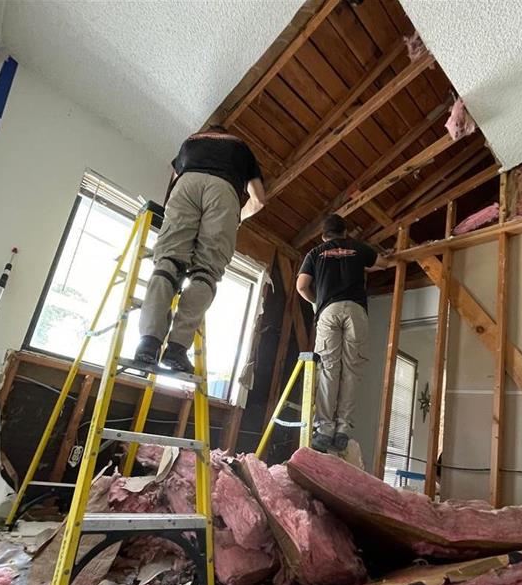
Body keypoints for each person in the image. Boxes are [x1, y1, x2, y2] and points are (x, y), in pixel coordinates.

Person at [135, 125, 266, 373]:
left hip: (185, 186)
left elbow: (173, 184)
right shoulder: (241, 148)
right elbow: (258, 199)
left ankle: (148, 343)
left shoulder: (189, 144)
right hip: (224, 191)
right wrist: (236, 217)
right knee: (206, 271)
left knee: (167, 263)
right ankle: (176, 350)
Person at [296, 214, 392, 453]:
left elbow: (301, 286)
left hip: (329, 310)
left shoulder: (315, 253)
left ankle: (325, 429)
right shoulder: (358, 248)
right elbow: (384, 263)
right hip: (356, 312)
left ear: (323, 235)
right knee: (352, 369)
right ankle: (342, 430)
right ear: (345, 232)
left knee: (329, 368)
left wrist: (318, 303)